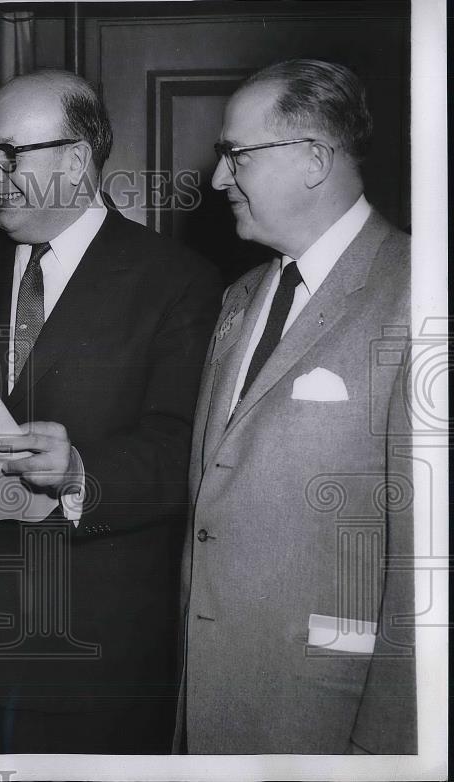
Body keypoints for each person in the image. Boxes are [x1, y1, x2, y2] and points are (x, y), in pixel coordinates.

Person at [0, 69, 223, 754]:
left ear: (76, 159)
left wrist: (81, 470)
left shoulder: (178, 283)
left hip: (91, 662)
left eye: (8, 154)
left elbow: (184, 451)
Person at [176, 60, 417, 754]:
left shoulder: (419, 294)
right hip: (209, 706)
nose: (220, 178)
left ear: (314, 159)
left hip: (328, 718)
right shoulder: (240, 297)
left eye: (236, 154)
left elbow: (427, 574)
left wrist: (390, 754)